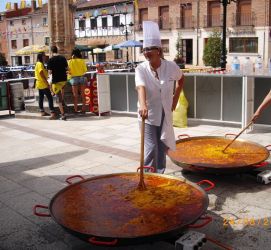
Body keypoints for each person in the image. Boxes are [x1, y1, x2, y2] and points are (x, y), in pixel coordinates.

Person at [135, 21, 184, 174]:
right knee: (151, 147)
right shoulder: (141, 68)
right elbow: (140, 86)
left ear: (158, 51)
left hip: (164, 112)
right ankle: (149, 177)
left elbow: (181, 79)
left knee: (162, 145)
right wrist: (143, 105)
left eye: (150, 49)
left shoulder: (171, 66)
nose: (146, 52)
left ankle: (160, 175)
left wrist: (175, 100)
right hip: (147, 114)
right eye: (144, 49)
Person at [47, 46, 68, 120]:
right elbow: (67, 68)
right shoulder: (63, 58)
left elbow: (49, 72)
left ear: (51, 51)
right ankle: (63, 102)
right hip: (64, 79)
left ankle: (63, 114)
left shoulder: (50, 60)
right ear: (57, 50)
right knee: (62, 90)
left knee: (58, 98)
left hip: (56, 80)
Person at [34, 52, 56, 119]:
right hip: (43, 83)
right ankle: (52, 112)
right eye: (44, 56)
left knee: (41, 98)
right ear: (41, 56)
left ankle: (42, 112)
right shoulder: (40, 64)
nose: (45, 57)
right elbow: (41, 73)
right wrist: (47, 83)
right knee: (50, 98)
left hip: (40, 84)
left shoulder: (38, 63)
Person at [67, 48, 87, 113]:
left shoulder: (70, 61)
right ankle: (83, 109)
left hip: (74, 78)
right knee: (83, 94)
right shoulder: (82, 61)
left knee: (75, 95)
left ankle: (75, 109)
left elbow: (68, 71)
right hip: (82, 77)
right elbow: (85, 70)